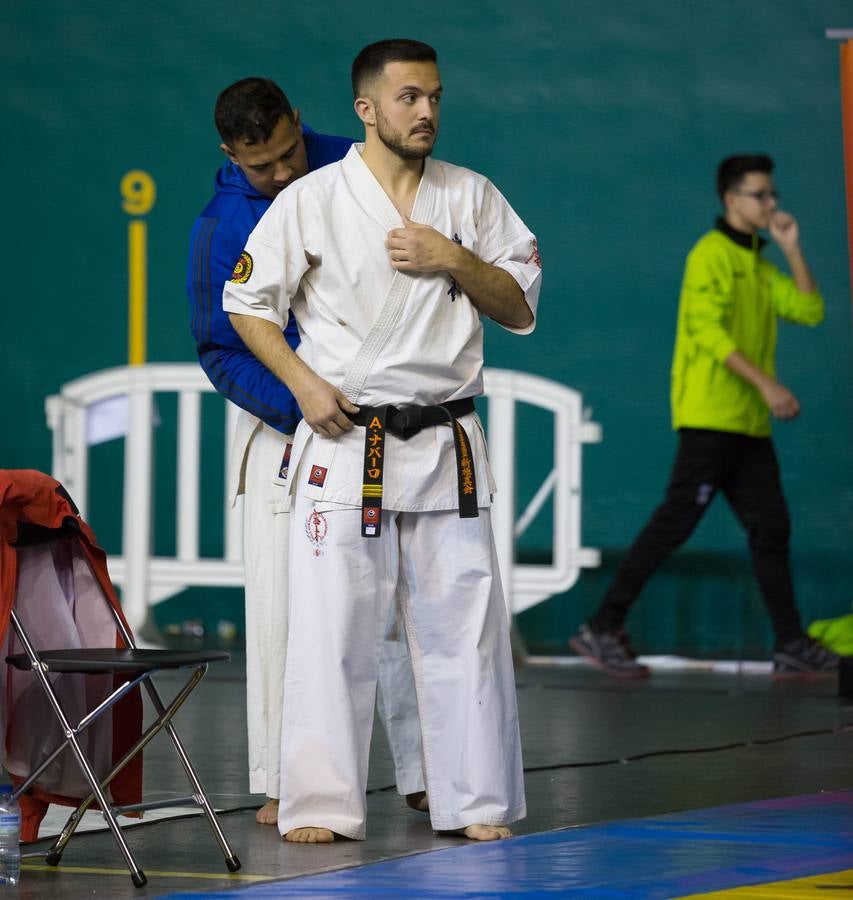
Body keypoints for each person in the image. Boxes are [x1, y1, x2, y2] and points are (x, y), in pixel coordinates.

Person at [223, 39, 541, 843]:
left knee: (461, 631)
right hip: (343, 440)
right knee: (331, 633)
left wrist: (452, 258)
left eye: (433, 95)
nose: (426, 111)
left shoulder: (471, 197)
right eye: (407, 98)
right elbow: (247, 303)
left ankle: (474, 802)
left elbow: (517, 304)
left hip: (444, 443)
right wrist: (299, 382)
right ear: (366, 108)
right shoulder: (312, 198)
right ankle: (320, 804)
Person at [186, 77, 426, 826]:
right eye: (263, 166)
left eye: (290, 151)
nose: (283, 173)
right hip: (286, 431)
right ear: (231, 154)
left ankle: (430, 771)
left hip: (395, 422)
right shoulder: (222, 224)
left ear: (299, 121)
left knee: (409, 605)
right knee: (288, 612)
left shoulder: (360, 170)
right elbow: (219, 350)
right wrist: (301, 404)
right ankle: (286, 781)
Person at [569, 154, 840, 680]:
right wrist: (769, 385)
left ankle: (789, 644)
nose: (771, 203)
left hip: (747, 425)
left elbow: (810, 310)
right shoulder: (709, 256)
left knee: (771, 527)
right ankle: (601, 626)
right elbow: (710, 335)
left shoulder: (761, 263)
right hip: (710, 418)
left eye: (772, 194)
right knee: (674, 524)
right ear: (730, 199)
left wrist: (791, 247)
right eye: (760, 195)